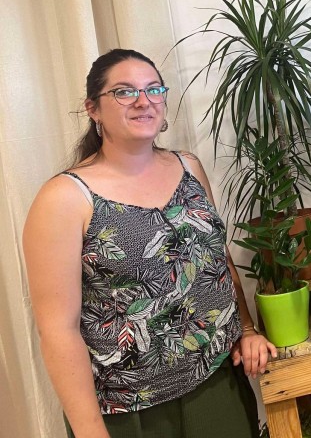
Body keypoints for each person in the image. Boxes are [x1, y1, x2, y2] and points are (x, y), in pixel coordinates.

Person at [24, 49, 277, 438]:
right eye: (124, 92)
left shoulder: (189, 167)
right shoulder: (64, 198)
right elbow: (59, 330)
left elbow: (216, 259)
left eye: (154, 89)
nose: (144, 101)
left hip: (217, 384)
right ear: (93, 109)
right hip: (130, 411)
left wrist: (246, 328)